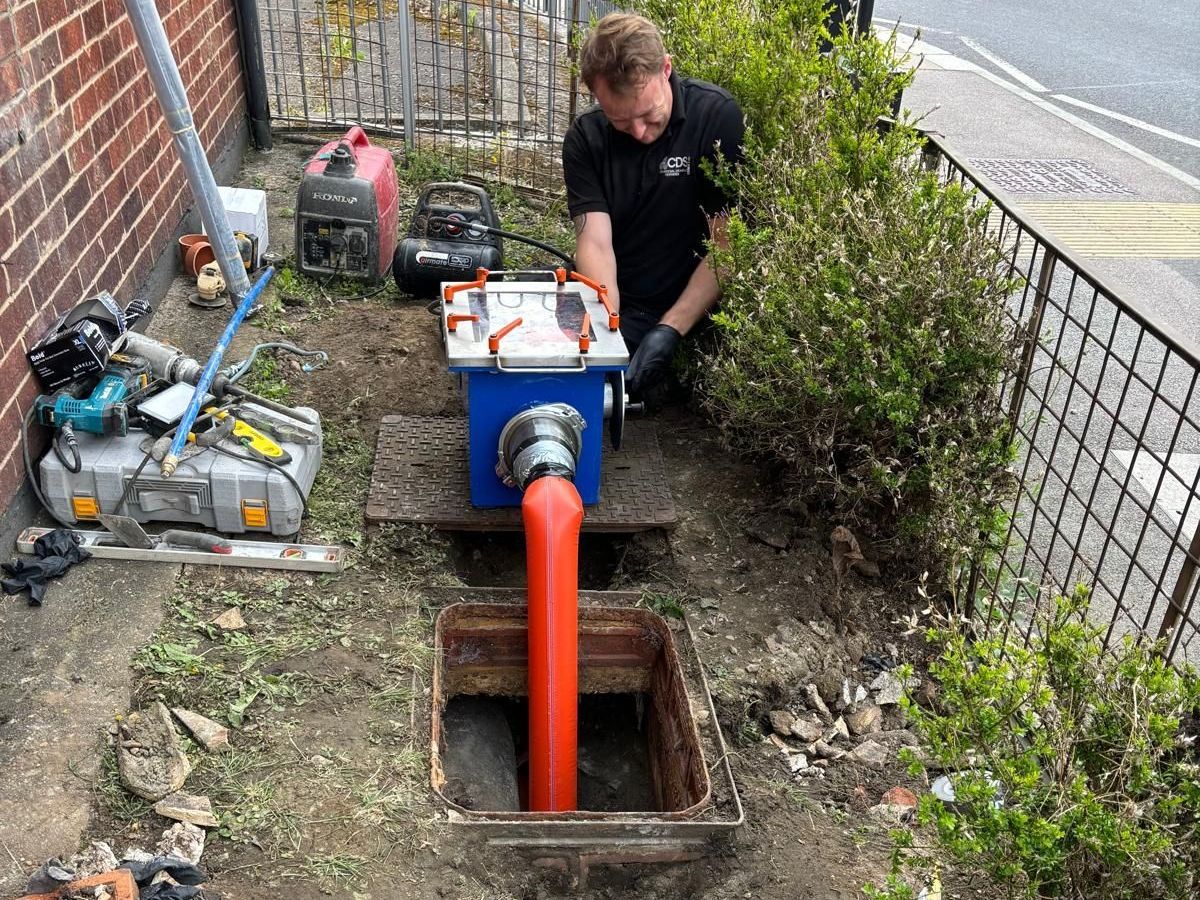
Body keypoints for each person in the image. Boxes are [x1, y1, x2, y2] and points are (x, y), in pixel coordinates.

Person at [562, 13, 744, 398]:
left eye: (648, 115)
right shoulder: (585, 139)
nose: (640, 133)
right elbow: (595, 243)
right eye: (621, 122)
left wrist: (672, 327)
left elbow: (727, 245)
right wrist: (606, 336)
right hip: (624, 301)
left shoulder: (716, 118)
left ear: (666, 69)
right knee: (564, 372)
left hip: (697, 304)